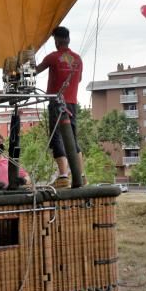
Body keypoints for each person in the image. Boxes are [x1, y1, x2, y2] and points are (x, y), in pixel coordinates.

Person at [36, 26, 85, 188]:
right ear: (68, 40)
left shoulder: (53, 57)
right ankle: (81, 175)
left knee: (56, 137)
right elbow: (78, 80)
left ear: (56, 41)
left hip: (56, 101)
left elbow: (34, 72)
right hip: (71, 102)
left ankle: (63, 176)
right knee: (72, 138)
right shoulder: (78, 59)